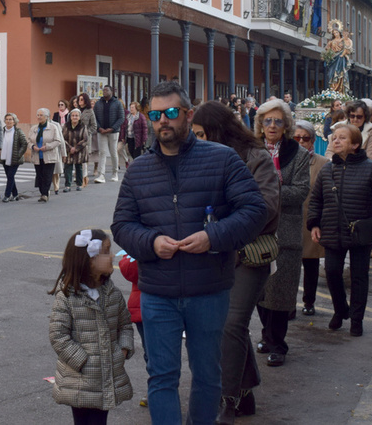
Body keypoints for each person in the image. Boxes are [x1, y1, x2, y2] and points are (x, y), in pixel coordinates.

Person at [111, 82, 267, 425]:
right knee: (162, 377)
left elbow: (255, 210)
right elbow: (122, 225)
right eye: (155, 115)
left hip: (209, 289)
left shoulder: (222, 158)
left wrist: (213, 237)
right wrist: (151, 243)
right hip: (157, 292)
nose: (162, 121)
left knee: (207, 374)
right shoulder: (138, 169)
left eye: (170, 113)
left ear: (188, 115)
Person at [190, 101, 281, 423]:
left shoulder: (256, 158)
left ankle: (226, 399)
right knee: (221, 326)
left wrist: (222, 223)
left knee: (231, 324)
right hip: (212, 255)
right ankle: (246, 390)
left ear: (218, 131)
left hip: (249, 254)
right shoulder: (198, 158)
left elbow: (267, 207)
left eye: (202, 133)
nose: (197, 140)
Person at [307, 124, 372, 337]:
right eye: (334, 138)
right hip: (332, 229)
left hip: (360, 231)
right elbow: (316, 199)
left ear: (356, 144)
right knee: (331, 273)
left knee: (359, 277)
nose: (336, 141)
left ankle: (356, 319)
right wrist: (314, 223)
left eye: (342, 138)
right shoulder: (327, 169)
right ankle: (340, 311)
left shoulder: (370, 168)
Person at [49, 228, 134, 424]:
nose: (112, 255)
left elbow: (125, 325)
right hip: (80, 380)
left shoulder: (112, 294)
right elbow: (58, 336)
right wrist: (84, 362)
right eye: (106, 251)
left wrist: (123, 350)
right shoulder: (67, 297)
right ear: (89, 260)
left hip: (106, 377)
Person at [253, 99, 310, 369]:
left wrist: (268, 190)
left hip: (285, 231)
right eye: (267, 121)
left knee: (281, 292)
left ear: (286, 125)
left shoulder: (297, 154)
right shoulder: (252, 151)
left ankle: (278, 344)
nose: (272, 126)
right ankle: (266, 335)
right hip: (256, 231)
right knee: (259, 291)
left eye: (278, 121)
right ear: (260, 125)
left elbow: (300, 192)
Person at [293, 120, 329, 316]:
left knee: (311, 264)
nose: (300, 142)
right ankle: (288, 304)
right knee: (289, 268)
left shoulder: (323, 164)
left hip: (311, 219)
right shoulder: (284, 160)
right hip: (289, 220)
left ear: (312, 141)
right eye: (296, 138)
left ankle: (309, 301)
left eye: (305, 139)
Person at [118, 251, 148, 409]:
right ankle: (158, 387)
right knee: (152, 354)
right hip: (144, 308)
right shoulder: (140, 232)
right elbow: (128, 270)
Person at [28, 107, 64, 202]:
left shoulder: (53, 127)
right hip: (37, 155)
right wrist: (32, 146)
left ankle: (44, 194)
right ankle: (42, 192)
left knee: (47, 175)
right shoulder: (34, 128)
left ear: (47, 117)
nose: (39, 117)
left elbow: (58, 141)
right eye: (38, 115)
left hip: (49, 155)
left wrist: (47, 146)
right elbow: (28, 141)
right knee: (39, 175)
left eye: (41, 115)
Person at [93, 86, 124, 183]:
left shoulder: (117, 103)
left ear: (112, 91)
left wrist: (112, 128)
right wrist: (99, 128)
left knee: (113, 152)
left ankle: (115, 173)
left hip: (113, 132)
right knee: (102, 152)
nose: (104, 92)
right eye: (103, 90)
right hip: (101, 131)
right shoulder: (98, 104)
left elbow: (121, 118)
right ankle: (101, 175)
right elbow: (94, 118)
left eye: (106, 90)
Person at [0, 112, 28, 201]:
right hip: (4, 157)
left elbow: (24, 144)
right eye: (7, 119)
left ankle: (7, 195)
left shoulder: (18, 131)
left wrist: (19, 154)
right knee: (9, 176)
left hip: (15, 158)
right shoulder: (2, 131)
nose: (8, 121)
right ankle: (15, 194)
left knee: (10, 176)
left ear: (14, 121)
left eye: (10, 119)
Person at [62, 109, 88, 193]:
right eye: (73, 115)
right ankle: (67, 185)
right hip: (68, 150)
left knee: (79, 167)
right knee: (67, 167)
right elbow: (63, 138)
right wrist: (69, 148)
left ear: (79, 117)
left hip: (79, 150)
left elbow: (85, 139)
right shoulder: (66, 125)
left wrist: (76, 148)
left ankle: (79, 184)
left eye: (76, 116)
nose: (74, 117)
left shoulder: (83, 126)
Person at [78, 93, 98, 187]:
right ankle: (78, 177)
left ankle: (84, 178)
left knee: (84, 159)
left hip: (85, 138)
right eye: (79, 99)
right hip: (75, 137)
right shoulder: (76, 111)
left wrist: (86, 132)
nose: (80, 101)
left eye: (82, 99)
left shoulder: (90, 111)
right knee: (77, 159)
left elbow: (94, 126)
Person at [119, 101, 148, 165]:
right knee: (130, 150)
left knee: (137, 153)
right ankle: (137, 163)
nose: (131, 109)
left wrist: (144, 139)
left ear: (136, 108)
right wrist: (123, 137)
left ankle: (137, 165)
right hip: (129, 137)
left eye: (132, 107)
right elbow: (124, 127)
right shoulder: (128, 116)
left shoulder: (141, 117)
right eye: (130, 107)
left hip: (137, 138)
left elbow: (145, 128)